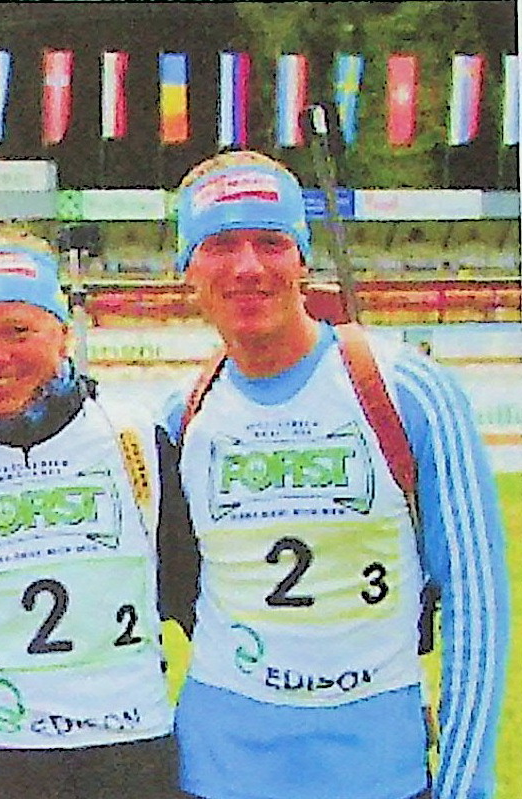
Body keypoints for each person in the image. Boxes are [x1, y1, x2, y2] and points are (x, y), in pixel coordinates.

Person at [163, 150, 509, 799]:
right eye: (219, 245)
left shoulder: (406, 388)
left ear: (301, 258)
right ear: (186, 269)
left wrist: (465, 782)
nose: (247, 267)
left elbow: (476, 596)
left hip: (376, 770)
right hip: (217, 769)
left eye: (270, 242)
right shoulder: (181, 415)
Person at [0, 230, 189, 799]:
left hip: (127, 756)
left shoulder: (136, 440)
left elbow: (193, 596)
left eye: (19, 331)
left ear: (63, 334)